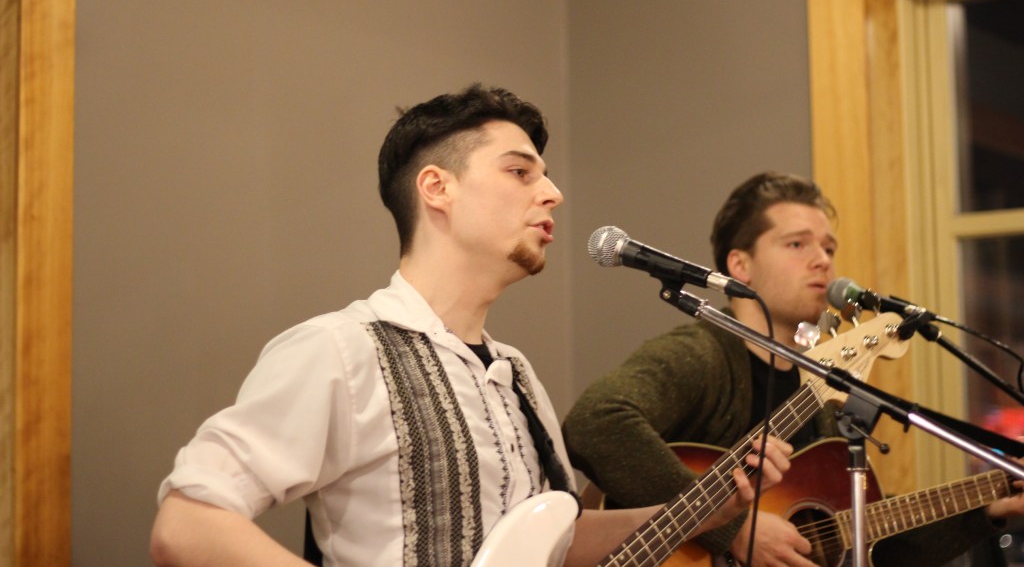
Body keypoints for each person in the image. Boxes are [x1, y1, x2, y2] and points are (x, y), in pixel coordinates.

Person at [149, 85, 792, 567]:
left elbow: (554, 540)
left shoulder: (517, 375)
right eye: (520, 172)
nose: (553, 193)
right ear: (437, 188)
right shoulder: (340, 350)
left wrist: (697, 511)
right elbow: (188, 524)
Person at [562, 171, 1024, 567]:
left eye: (828, 248)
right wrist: (732, 529)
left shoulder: (822, 388)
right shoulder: (702, 355)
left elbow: (872, 545)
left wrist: (989, 507)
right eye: (797, 244)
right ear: (740, 265)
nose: (822, 260)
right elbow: (596, 423)